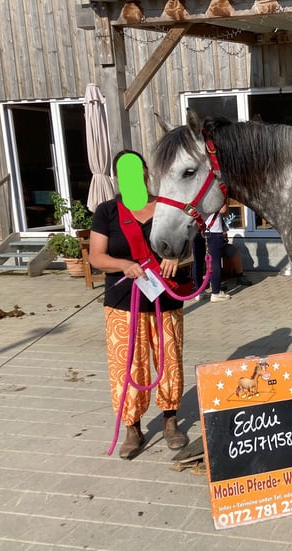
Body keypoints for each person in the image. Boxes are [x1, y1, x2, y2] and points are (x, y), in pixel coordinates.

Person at [88, 150, 190, 459]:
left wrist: (176, 257)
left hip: (165, 297)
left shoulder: (167, 206)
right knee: (128, 365)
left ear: (146, 172)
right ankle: (133, 428)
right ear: (118, 178)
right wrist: (123, 264)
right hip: (123, 302)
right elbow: (96, 257)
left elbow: (190, 248)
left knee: (169, 361)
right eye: (125, 171)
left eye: (137, 168)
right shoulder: (107, 211)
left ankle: (170, 421)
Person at [192, 205, 253, 302]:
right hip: (213, 229)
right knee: (214, 261)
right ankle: (216, 293)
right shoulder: (218, 194)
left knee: (198, 262)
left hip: (197, 229)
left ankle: (200, 292)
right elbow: (223, 210)